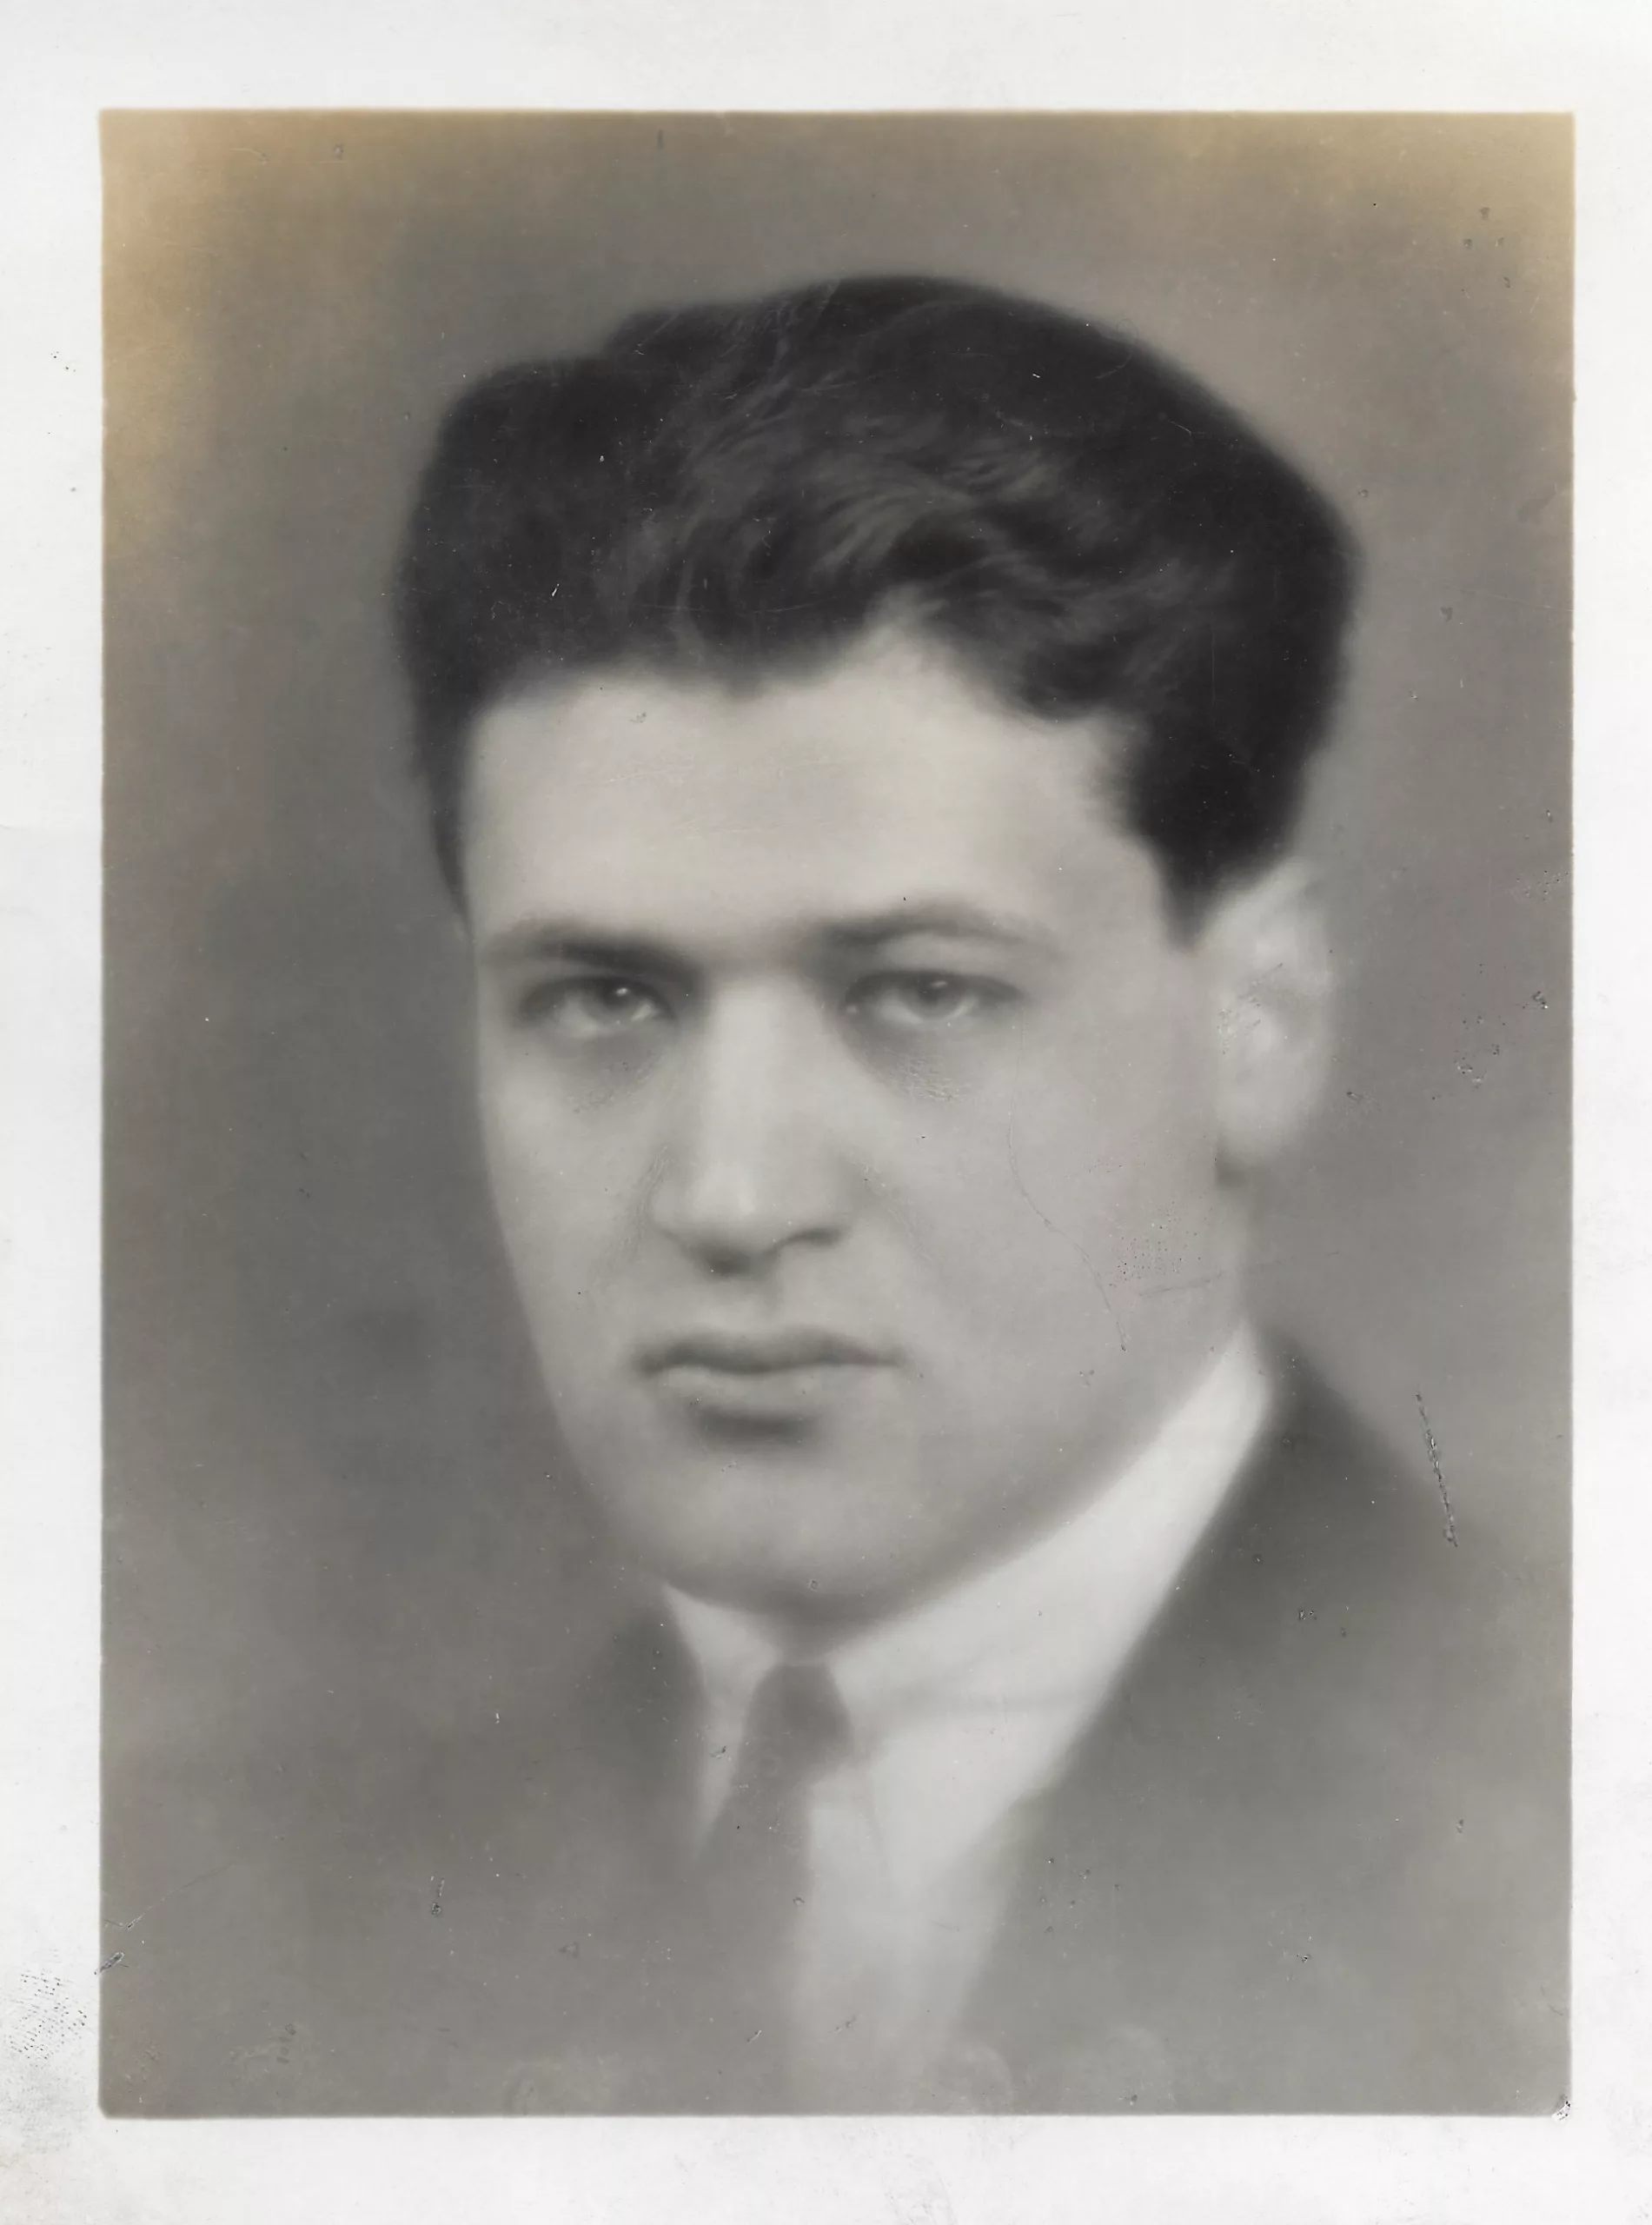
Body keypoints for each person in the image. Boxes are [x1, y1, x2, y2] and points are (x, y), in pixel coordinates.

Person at [104, 275, 1565, 2115]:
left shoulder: (1571, 1833)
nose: (730, 1194)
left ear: (1257, 1022)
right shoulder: (197, 1941)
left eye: (918, 992)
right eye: (603, 998)